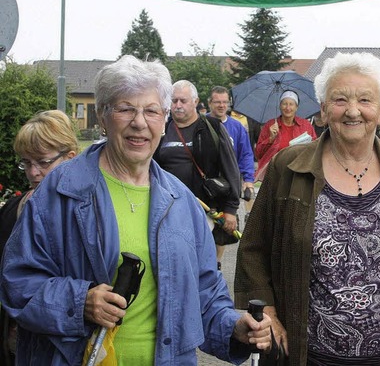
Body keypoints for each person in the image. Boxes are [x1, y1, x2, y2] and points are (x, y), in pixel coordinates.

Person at [0, 55, 271, 365]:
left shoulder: (182, 202)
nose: (139, 122)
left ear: (165, 118)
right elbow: (16, 283)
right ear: (102, 117)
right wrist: (80, 302)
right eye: (126, 108)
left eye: (152, 111)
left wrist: (235, 327)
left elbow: (205, 296)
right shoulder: (60, 190)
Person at [235, 52, 380, 365]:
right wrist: (269, 315)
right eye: (340, 100)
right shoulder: (288, 167)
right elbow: (253, 249)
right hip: (309, 356)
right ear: (322, 109)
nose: (353, 111)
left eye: (365, 100)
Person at [0, 110, 78, 365]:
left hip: (63, 342)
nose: (34, 172)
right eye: (26, 162)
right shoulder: (14, 207)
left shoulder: (85, 213)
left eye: (43, 162)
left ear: (70, 158)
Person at [154, 80, 242, 269]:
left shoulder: (212, 127)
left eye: (183, 101)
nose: (177, 105)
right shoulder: (162, 129)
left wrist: (231, 209)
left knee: (201, 261)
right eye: (174, 100)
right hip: (168, 209)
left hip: (204, 209)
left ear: (195, 102)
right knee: (175, 260)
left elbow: (231, 168)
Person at [207, 86, 255, 239]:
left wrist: (248, 180)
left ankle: (218, 263)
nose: (221, 105)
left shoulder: (237, 127)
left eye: (224, 102)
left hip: (228, 184)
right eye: (217, 102)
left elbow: (246, 155)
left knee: (224, 233)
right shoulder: (202, 124)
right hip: (206, 184)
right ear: (209, 103)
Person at [254, 90, 317, 181]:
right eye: (284, 104)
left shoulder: (306, 125)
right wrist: (271, 139)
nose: (288, 107)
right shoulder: (270, 125)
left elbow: (315, 149)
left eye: (291, 104)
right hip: (274, 174)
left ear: (296, 107)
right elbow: (258, 154)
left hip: (298, 173)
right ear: (280, 106)